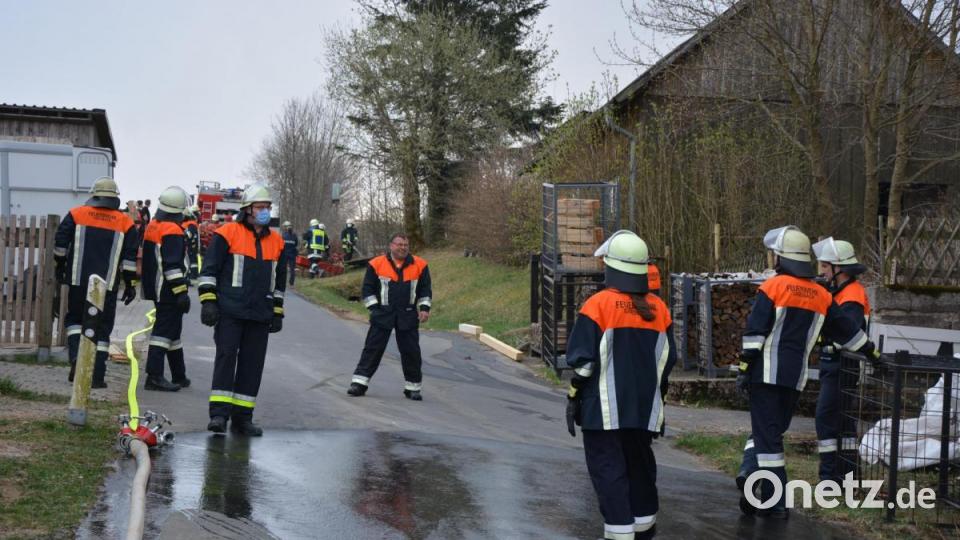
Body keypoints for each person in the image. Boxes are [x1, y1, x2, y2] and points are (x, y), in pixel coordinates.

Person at [735, 226, 878, 518]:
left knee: (768, 440)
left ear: (781, 258)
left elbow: (755, 333)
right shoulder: (821, 294)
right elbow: (849, 332)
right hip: (795, 379)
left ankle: (774, 501)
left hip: (765, 376)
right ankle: (753, 484)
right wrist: (873, 353)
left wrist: (744, 368)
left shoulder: (773, 287)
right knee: (770, 434)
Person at [564, 230, 675, 540]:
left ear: (612, 267)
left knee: (609, 472)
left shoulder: (598, 305)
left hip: (604, 413)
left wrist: (574, 395)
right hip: (645, 411)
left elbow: (582, 363)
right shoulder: (660, 309)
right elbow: (668, 362)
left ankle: (619, 534)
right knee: (640, 469)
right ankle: (643, 529)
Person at [199, 183, 286, 436]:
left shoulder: (277, 242)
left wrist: (277, 312)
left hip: (260, 314)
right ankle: (218, 415)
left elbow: (279, 282)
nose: (265, 211)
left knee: (252, 365)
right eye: (260, 207)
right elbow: (209, 270)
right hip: (230, 311)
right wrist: (208, 301)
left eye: (267, 207)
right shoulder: (227, 233)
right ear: (247, 209)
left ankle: (242, 418)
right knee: (226, 359)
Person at [54, 177, 139, 388]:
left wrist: (60, 266)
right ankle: (97, 376)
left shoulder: (76, 214)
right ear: (115, 198)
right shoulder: (126, 222)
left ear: (94, 195)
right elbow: (129, 261)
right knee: (102, 328)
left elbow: (60, 244)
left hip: (78, 281)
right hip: (107, 285)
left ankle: (76, 358)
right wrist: (130, 285)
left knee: (75, 320)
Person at [812, 237, 871, 483]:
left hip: (841, 366)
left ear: (840, 269)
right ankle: (847, 477)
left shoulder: (851, 296)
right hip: (836, 365)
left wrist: (825, 342)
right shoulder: (842, 292)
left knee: (826, 419)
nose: (822, 272)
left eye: (826, 266)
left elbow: (848, 334)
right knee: (843, 423)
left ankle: (831, 478)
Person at [347, 233, 431, 400]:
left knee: (411, 352)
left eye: (405, 245)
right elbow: (368, 289)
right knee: (372, 349)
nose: (403, 248)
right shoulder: (376, 263)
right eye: (399, 244)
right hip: (383, 314)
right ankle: (359, 384)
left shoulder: (420, 264)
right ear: (391, 245)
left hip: (407, 313)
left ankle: (413, 387)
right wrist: (374, 309)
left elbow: (425, 289)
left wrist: (424, 308)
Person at [141, 187, 192, 392]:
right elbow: (172, 266)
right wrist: (181, 292)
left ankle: (179, 374)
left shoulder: (154, 225)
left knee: (173, 332)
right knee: (163, 332)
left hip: (157, 287)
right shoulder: (172, 230)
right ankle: (154, 376)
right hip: (168, 289)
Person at [181, 206, 201, 281]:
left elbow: (190, 235)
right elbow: (190, 235)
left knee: (192, 260)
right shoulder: (191, 224)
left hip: (190, 246)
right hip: (190, 246)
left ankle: (192, 274)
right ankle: (192, 274)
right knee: (192, 260)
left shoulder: (190, 224)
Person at [282, 221, 299, 286]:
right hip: (292, 254)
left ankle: (283, 281)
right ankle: (291, 283)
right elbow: (296, 244)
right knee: (292, 269)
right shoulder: (294, 236)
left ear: (286, 227)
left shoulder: (283, 235)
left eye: (284, 227)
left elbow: (281, 245)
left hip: (284, 254)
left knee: (283, 268)